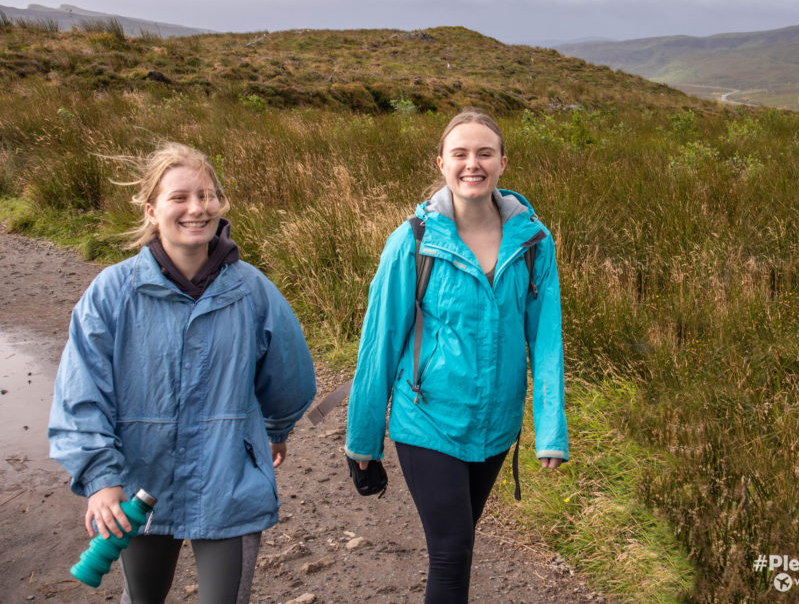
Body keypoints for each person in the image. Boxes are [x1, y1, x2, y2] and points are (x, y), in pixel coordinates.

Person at [48, 141, 316, 604]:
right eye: (180, 197)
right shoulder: (112, 292)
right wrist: (101, 479)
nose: (198, 208)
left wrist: (275, 428)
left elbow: (290, 377)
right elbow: (81, 393)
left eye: (208, 195)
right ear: (152, 210)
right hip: (137, 486)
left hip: (230, 483)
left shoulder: (254, 291)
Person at [345, 107, 569, 602]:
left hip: (497, 424)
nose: (473, 163)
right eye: (461, 153)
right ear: (442, 163)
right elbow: (378, 342)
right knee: (451, 550)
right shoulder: (413, 241)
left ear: (502, 163)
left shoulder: (534, 242)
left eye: (484, 153)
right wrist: (363, 439)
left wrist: (549, 430)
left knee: (461, 549)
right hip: (428, 418)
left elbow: (546, 340)